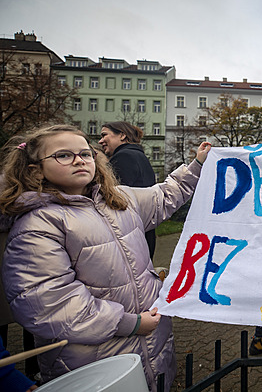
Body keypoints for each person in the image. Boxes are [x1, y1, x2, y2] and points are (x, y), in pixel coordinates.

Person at [0, 125, 211, 392]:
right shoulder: (38, 224)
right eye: (63, 155)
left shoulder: (120, 200)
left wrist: (197, 164)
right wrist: (131, 323)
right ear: (35, 169)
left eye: (85, 154)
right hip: (92, 360)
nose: (79, 160)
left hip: (152, 347)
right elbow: (51, 303)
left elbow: (166, 195)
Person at [98, 121, 157, 259]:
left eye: (104, 135)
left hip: (129, 239)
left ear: (122, 136)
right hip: (143, 234)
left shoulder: (123, 157)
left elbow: (113, 200)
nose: (100, 141)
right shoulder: (138, 156)